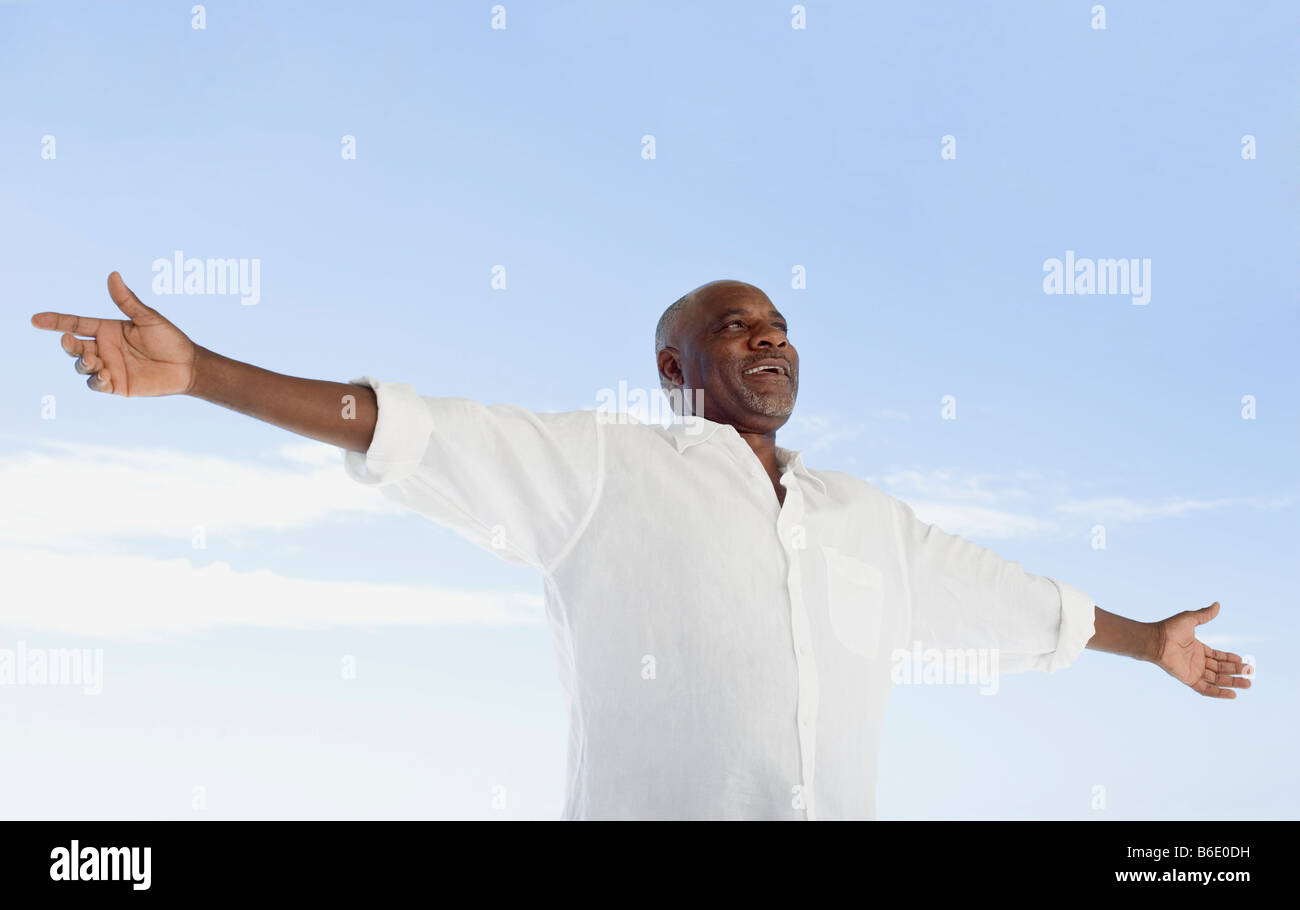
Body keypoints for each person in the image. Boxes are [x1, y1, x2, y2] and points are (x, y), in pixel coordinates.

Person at [30, 273, 1253, 820]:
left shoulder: (866, 521)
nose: (768, 341)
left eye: (778, 326)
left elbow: (1015, 604)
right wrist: (203, 375)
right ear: (673, 368)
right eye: (733, 327)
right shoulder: (606, 468)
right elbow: (405, 426)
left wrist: (1151, 644)